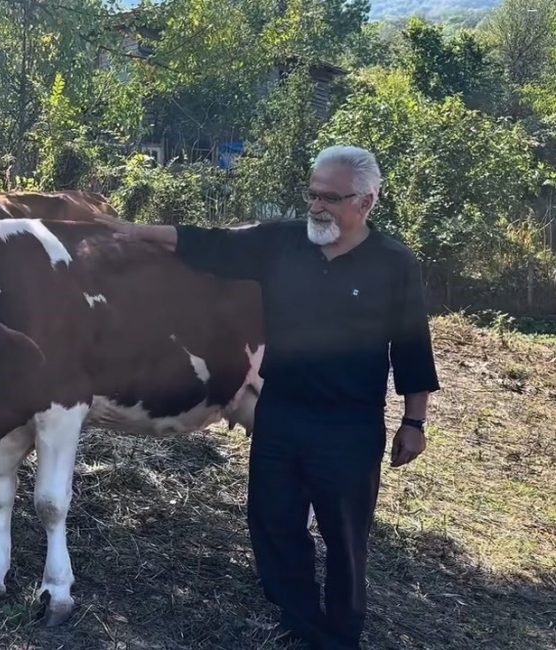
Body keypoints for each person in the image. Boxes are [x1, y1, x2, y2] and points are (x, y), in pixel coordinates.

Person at [95, 145, 440, 649]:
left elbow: (412, 344)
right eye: (312, 194)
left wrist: (415, 422)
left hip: (349, 424)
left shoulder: (392, 263)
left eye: (330, 198)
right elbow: (207, 244)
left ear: (366, 202)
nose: (316, 206)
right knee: (273, 521)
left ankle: (341, 632)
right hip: (280, 412)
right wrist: (129, 231)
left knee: (345, 536)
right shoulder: (282, 243)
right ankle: (298, 616)